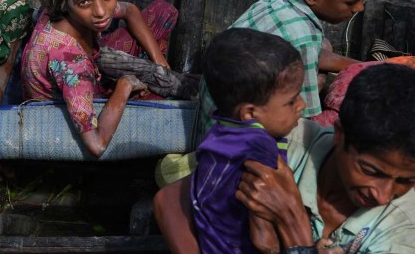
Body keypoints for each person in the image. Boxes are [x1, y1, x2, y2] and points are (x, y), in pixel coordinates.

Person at [155, 0, 384, 187]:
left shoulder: (277, 1)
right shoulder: (301, 35)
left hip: (214, 120)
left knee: (326, 51)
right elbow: (305, 121)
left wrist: (364, 67)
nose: (359, 9)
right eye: (352, 1)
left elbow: (317, 54)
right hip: (242, 141)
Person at [155, 63, 415, 254]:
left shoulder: (405, 224)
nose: (383, 195)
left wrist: (294, 227)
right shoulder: (285, 141)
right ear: (339, 133)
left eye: (407, 180)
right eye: (371, 170)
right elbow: (171, 203)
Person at [20, 0, 179, 158]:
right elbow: (96, 145)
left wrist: (160, 62)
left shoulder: (69, 12)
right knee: (164, 102)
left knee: (162, 11)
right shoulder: (70, 64)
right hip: (74, 117)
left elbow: (130, 10)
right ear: (64, 0)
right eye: (85, 1)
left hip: (91, 71)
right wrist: (124, 85)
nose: (102, 11)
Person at [190, 28, 305, 253]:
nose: (302, 105)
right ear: (250, 113)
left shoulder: (221, 126)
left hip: (210, 240)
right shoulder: (260, 147)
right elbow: (263, 239)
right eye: (291, 102)